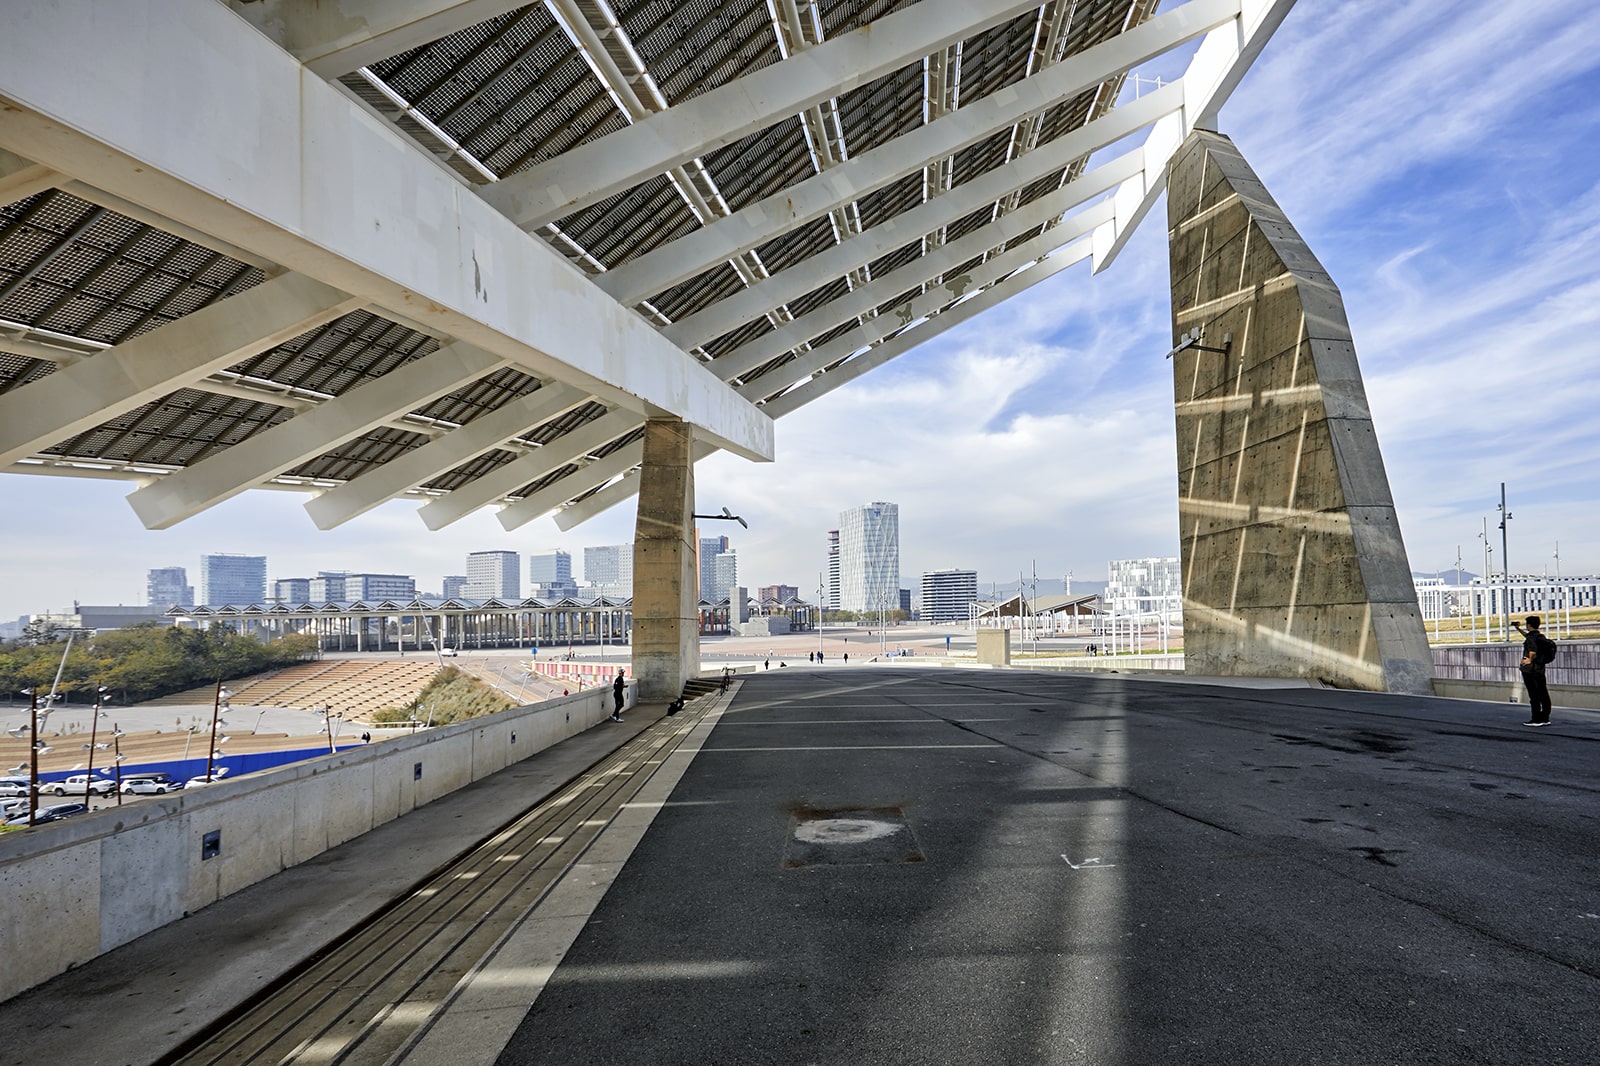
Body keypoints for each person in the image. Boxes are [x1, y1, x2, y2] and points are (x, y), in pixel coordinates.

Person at [1510, 615, 1553, 726]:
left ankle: (1536, 719)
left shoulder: (1531, 638)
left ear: (1528, 625)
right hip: (1540, 669)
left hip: (1530, 670)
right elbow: (1528, 637)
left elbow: (1532, 650)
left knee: (1534, 695)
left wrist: (1529, 659)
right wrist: (1518, 629)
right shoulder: (1540, 636)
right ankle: (1545, 718)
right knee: (1543, 693)